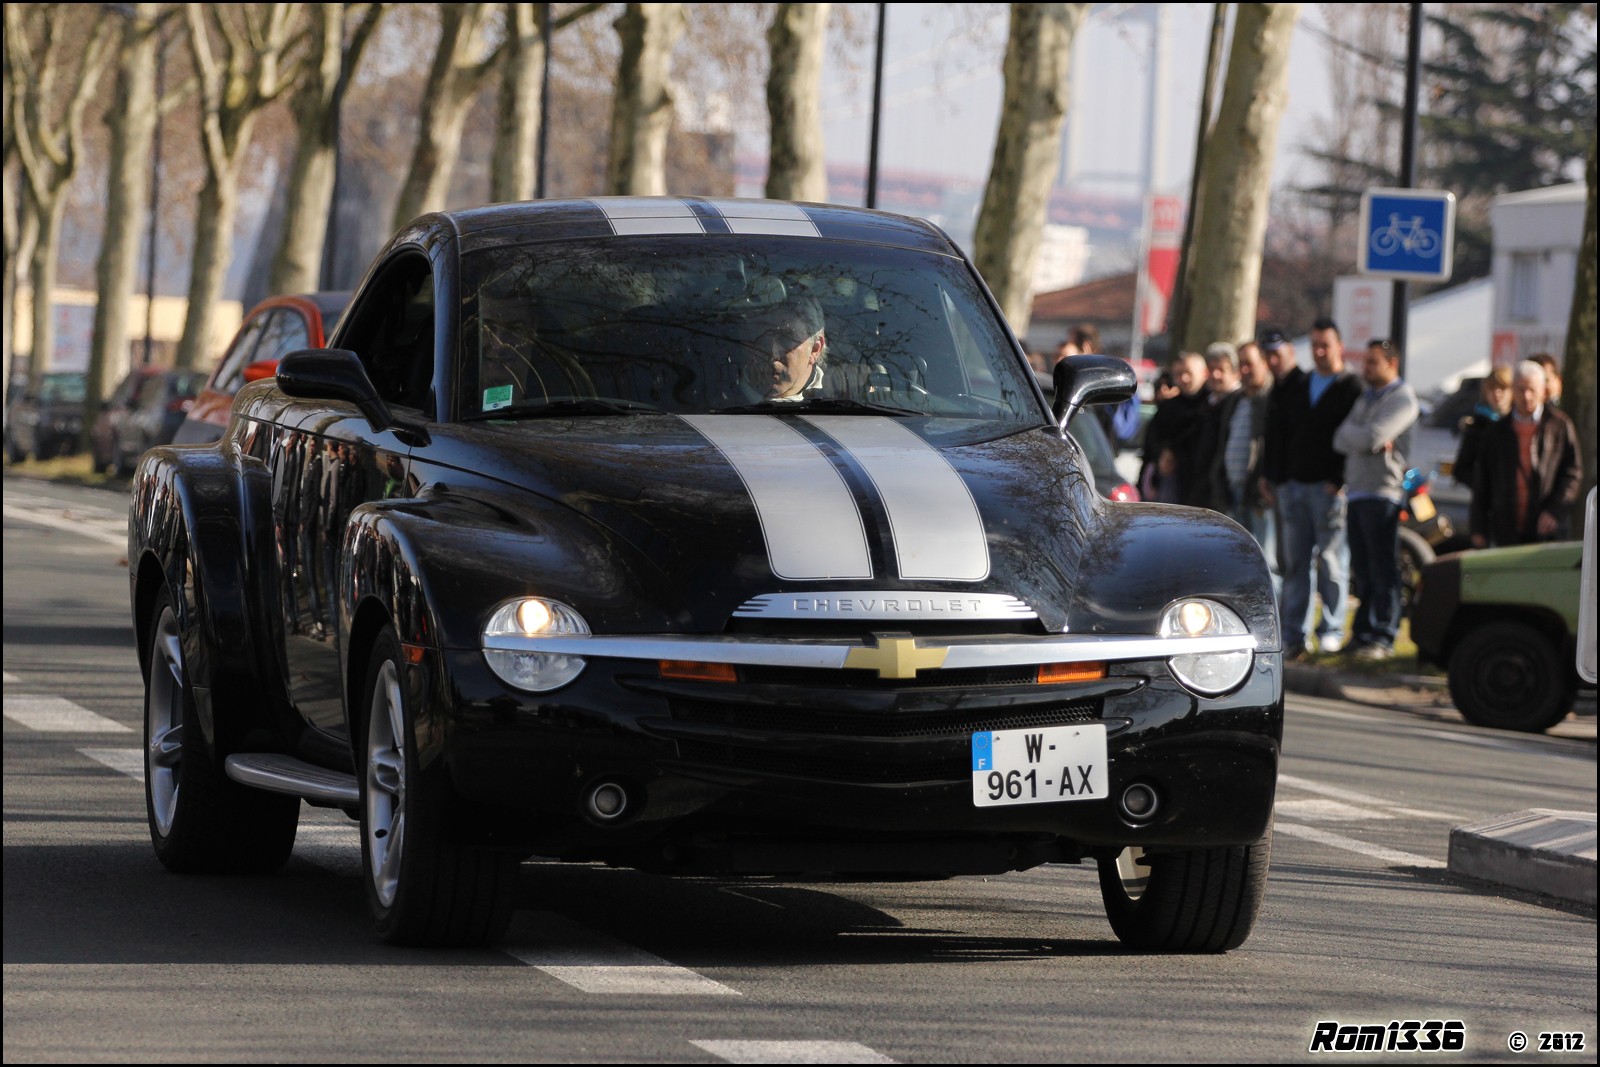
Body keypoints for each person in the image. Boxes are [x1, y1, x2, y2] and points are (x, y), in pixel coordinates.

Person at [1262, 318, 1363, 658]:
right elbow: (1279, 432)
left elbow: (1352, 439)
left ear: (1340, 347)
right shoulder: (1300, 384)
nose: (1320, 352)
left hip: (1327, 489)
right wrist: (1277, 476)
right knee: (1296, 565)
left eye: (1326, 345)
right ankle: (1294, 634)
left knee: (1333, 563)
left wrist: (1338, 481)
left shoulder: (1351, 386)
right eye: (1315, 345)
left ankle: (1332, 630)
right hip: (1294, 487)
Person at [1332, 339, 1419, 659]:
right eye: (1365, 362)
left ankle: (1383, 635)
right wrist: (1365, 437)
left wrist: (1366, 436)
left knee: (1383, 569)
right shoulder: (1367, 398)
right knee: (1363, 570)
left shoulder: (1403, 399)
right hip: (1357, 490)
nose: (1365, 369)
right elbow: (1340, 437)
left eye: (1372, 363)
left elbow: (1371, 437)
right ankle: (1362, 634)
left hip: (1383, 493)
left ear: (1391, 364)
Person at [1469, 360, 1582, 547]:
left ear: (1543, 391)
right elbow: (1482, 483)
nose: (1526, 396)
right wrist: (1478, 528)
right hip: (1506, 528)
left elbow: (1573, 473)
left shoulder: (1559, 426)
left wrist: (1555, 510)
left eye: (1532, 390)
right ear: (1513, 390)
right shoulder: (1497, 432)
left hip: (1546, 530)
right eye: (1520, 389)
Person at [1210, 339, 1277, 587]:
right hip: (1233, 492)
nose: (1245, 370)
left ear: (1265, 363)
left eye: (1250, 364)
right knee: (1238, 566)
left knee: (1267, 565)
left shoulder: (1272, 400)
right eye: (1242, 365)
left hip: (1259, 496)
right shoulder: (1236, 401)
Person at [1140, 351, 1208, 504]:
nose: (1184, 379)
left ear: (1204, 373)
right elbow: (1152, 444)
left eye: (1188, 373)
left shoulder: (1211, 405)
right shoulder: (1168, 407)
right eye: (1178, 374)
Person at [741, 294, 827, 401]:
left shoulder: (840, 397)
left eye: (785, 339)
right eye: (760, 338)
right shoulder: (718, 391)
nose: (772, 353)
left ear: (815, 349)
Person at [1451, 366, 1512, 490]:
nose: (1497, 393)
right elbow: (1461, 470)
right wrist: (1486, 484)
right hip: (1486, 503)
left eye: (1502, 388)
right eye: (1492, 388)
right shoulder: (1477, 425)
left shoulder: (1519, 424)